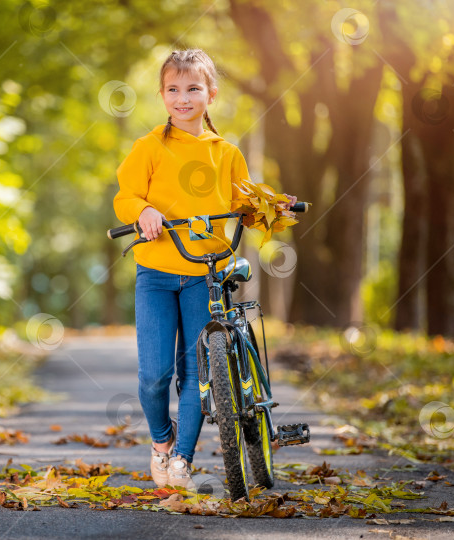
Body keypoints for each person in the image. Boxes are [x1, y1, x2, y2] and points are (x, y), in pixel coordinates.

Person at [112, 49, 295, 489]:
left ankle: (182, 459)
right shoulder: (149, 147)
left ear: (210, 94)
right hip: (155, 273)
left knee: (198, 374)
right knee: (154, 375)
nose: (183, 98)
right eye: (173, 89)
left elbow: (243, 204)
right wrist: (145, 210)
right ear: (162, 95)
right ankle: (161, 439)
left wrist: (270, 207)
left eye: (193, 89)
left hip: (204, 274)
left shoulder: (226, 153)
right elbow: (126, 196)